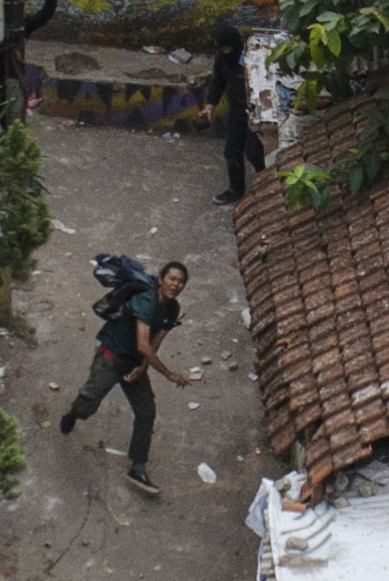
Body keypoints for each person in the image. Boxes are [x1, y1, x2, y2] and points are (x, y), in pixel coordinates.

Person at [58, 259, 195, 496]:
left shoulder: (172, 309)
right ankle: (73, 414)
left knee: (146, 412)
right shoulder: (146, 302)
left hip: (134, 364)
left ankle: (138, 467)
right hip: (111, 358)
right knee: (89, 403)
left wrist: (142, 367)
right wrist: (169, 374)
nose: (175, 285)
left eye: (181, 282)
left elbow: (154, 343)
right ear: (161, 280)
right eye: (172, 279)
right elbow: (143, 345)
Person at [212, 24, 259, 205]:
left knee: (254, 151)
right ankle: (235, 189)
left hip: (255, 110)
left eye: (228, 49)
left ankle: (266, 184)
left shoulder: (250, 59)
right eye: (222, 49)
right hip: (237, 109)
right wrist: (210, 103)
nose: (225, 52)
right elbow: (218, 81)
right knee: (231, 151)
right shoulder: (222, 59)